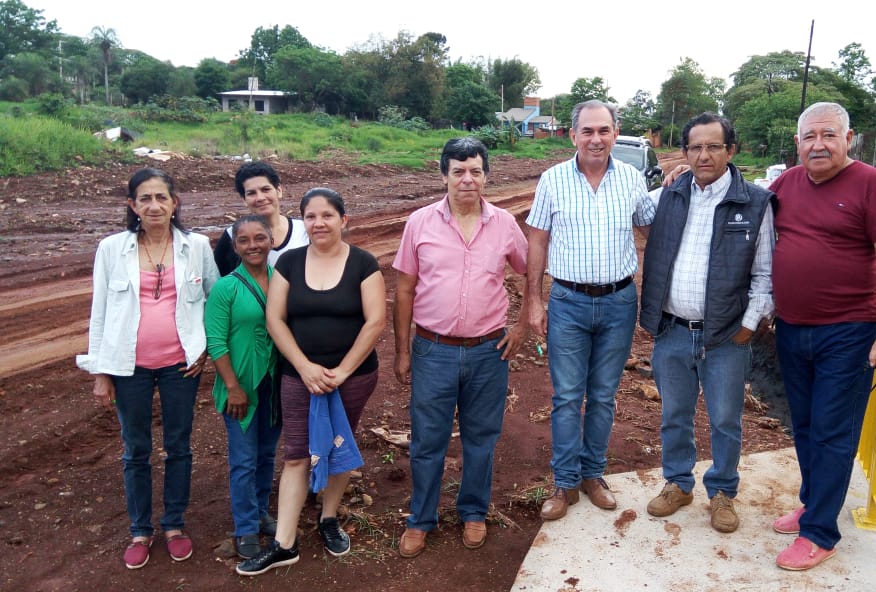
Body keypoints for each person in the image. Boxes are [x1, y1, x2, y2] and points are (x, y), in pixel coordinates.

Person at [768, 102, 876, 570]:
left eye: (829, 135)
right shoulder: (786, 183)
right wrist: (683, 177)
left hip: (848, 333)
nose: (819, 144)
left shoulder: (871, 184)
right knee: (804, 426)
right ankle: (814, 503)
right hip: (791, 328)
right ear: (798, 143)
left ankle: (821, 533)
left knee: (833, 433)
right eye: (810, 136)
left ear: (849, 139)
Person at [237, 187, 385, 576]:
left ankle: (328, 518)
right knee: (298, 453)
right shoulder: (288, 262)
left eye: (327, 215)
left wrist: (343, 371)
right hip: (299, 376)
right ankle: (284, 543)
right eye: (311, 216)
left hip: (352, 377)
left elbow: (375, 322)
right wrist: (303, 367)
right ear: (304, 221)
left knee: (340, 443)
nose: (319, 223)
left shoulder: (364, 264)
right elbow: (276, 320)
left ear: (343, 220)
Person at [76, 168, 219, 569]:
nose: (154, 205)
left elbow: (214, 298)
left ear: (175, 204)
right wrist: (101, 372)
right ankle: (140, 529)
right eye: (145, 199)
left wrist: (205, 349)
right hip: (128, 367)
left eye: (162, 197)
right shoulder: (111, 249)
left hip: (180, 366)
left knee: (179, 445)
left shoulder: (196, 246)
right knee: (135, 449)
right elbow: (99, 312)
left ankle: (174, 524)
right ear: (132, 206)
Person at [392, 137, 529, 557]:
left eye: (475, 171)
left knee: (481, 437)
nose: (467, 179)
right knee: (428, 439)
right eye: (458, 171)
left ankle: (473, 511)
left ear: (486, 176)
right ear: (444, 175)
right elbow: (404, 289)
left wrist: (522, 325)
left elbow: (530, 272)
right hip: (433, 350)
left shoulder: (504, 224)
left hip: (490, 351)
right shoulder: (420, 223)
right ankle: (421, 518)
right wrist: (402, 351)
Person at [639, 113, 775, 534]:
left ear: (730, 151)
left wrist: (749, 326)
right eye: (695, 147)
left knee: (725, 420)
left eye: (714, 146)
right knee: (674, 415)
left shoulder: (755, 202)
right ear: (684, 153)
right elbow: (630, 219)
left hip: (726, 339)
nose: (704, 155)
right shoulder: (668, 197)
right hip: (673, 331)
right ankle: (678, 484)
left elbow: (765, 274)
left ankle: (722, 492)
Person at [525, 100, 655, 520]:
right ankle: (564, 483)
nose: (596, 139)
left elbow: (652, 230)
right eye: (587, 131)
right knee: (566, 398)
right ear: (572, 135)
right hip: (568, 302)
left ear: (616, 133)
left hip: (619, 302)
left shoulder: (632, 179)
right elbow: (538, 240)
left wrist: (675, 188)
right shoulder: (553, 180)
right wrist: (534, 298)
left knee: (602, 396)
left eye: (604, 130)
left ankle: (593, 474)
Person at [204, 215, 281, 560]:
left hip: (275, 384)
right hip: (241, 388)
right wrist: (233, 386)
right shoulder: (226, 288)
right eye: (245, 240)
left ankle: (262, 511)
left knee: (266, 454)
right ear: (234, 247)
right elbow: (216, 343)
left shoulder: (281, 281)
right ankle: (245, 527)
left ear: (271, 240)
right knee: (243, 460)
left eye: (260, 238)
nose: (254, 245)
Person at [213, 161, 309, 276]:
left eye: (265, 189)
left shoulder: (304, 230)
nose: (260, 198)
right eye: (251, 193)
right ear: (244, 200)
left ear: (279, 191)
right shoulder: (232, 236)